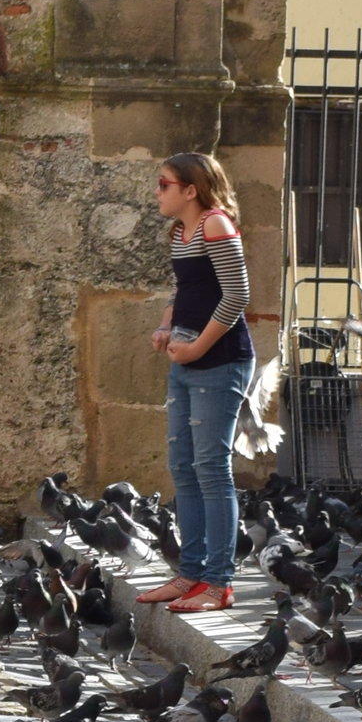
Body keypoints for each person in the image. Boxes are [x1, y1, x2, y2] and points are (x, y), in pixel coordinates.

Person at [139, 148, 255, 615]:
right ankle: (189, 574)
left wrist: (198, 347)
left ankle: (218, 583)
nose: (157, 192)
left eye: (164, 185)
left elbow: (237, 295)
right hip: (187, 358)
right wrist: (167, 327)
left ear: (191, 190)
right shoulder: (181, 231)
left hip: (219, 361)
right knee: (183, 467)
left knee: (210, 467)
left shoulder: (215, 224)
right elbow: (186, 290)